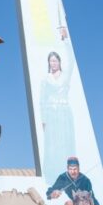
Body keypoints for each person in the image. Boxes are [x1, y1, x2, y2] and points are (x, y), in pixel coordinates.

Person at [40, 26, 75, 181]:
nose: (53, 63)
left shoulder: (65, 75)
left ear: (59, 62)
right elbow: (42, 100)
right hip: (51, 114)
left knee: (65, 143)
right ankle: (52, 175)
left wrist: (66, 39)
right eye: (50, 61)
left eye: (55, 60)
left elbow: (71, 59)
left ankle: (69, 174)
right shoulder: (46, 79)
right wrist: (43, 119)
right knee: (52, 146)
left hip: (64, 113)